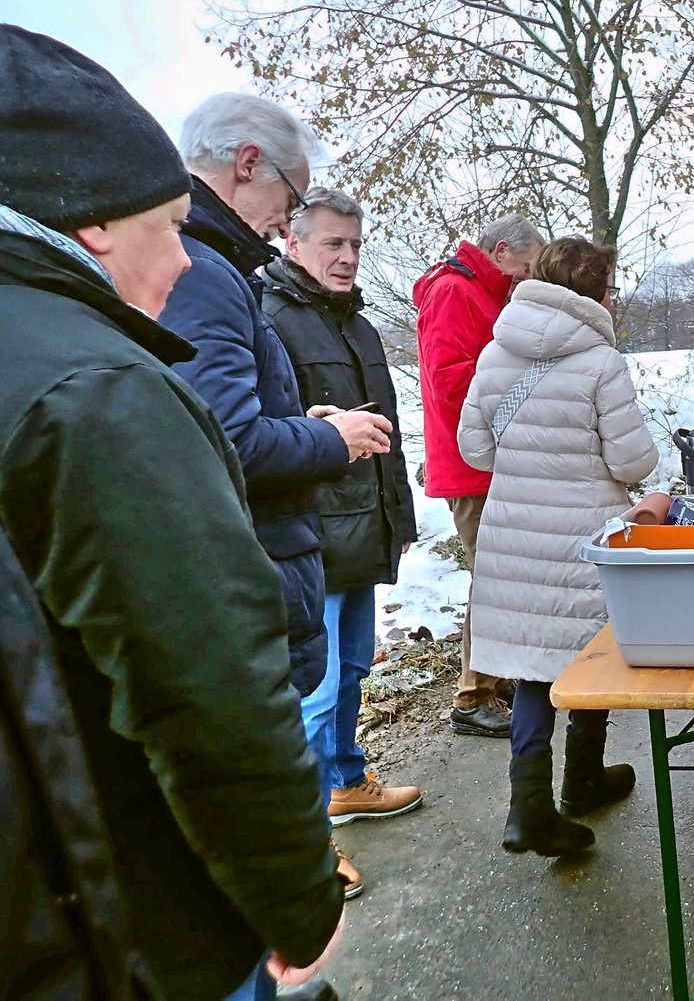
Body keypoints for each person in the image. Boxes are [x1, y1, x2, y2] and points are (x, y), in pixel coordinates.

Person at [0, 26, 342, 1001]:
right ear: (95, 224)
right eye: (172, 228)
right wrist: (296, 905)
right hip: (140, 921)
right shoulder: (99, 388)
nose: (187, 265)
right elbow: (208, 687)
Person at [159, 92, 395, 902]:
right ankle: (301, 856)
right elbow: (225, 434)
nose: (283, 217)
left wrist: (309, 422)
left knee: (341, 671)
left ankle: (328, 804)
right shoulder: (211, 275)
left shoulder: (232, 273)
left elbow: (242, 408)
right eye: (293, 202)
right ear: (249, 165)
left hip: (334, 526)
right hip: (293, 533)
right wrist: (327, 439)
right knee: (305, 691)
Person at [458, 236, 658, 857]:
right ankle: (583, 780)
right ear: (598, 292)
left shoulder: (496, 353)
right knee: (586, 656)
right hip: (580, 531)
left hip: (514, 531)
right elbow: (633, 460)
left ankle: (529, 807)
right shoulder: (601, 362)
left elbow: (475, 450)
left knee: (531, 670)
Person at [262, 187, 423, 837]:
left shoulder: (358, 325)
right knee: (315, 689)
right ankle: (306, 840)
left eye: (355, 244)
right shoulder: (269, 318)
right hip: (311, 539)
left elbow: (389, 438)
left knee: (354, 669)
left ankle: (347, 781)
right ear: (293, 243)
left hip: (366, 529)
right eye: (333, 243)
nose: (348, 257)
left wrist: (401, 521)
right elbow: (268, 436)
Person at [415, 214, 545, 739]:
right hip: (471, 465)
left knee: (505, 573)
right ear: (502, 250)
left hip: (487, 460)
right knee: (493, 578)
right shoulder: (453, 292)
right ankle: (472, 696)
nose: (526, 277)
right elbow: (450, 380)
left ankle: (497, 671)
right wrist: (522, 380)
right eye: (526, 266)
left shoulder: (484, 292)